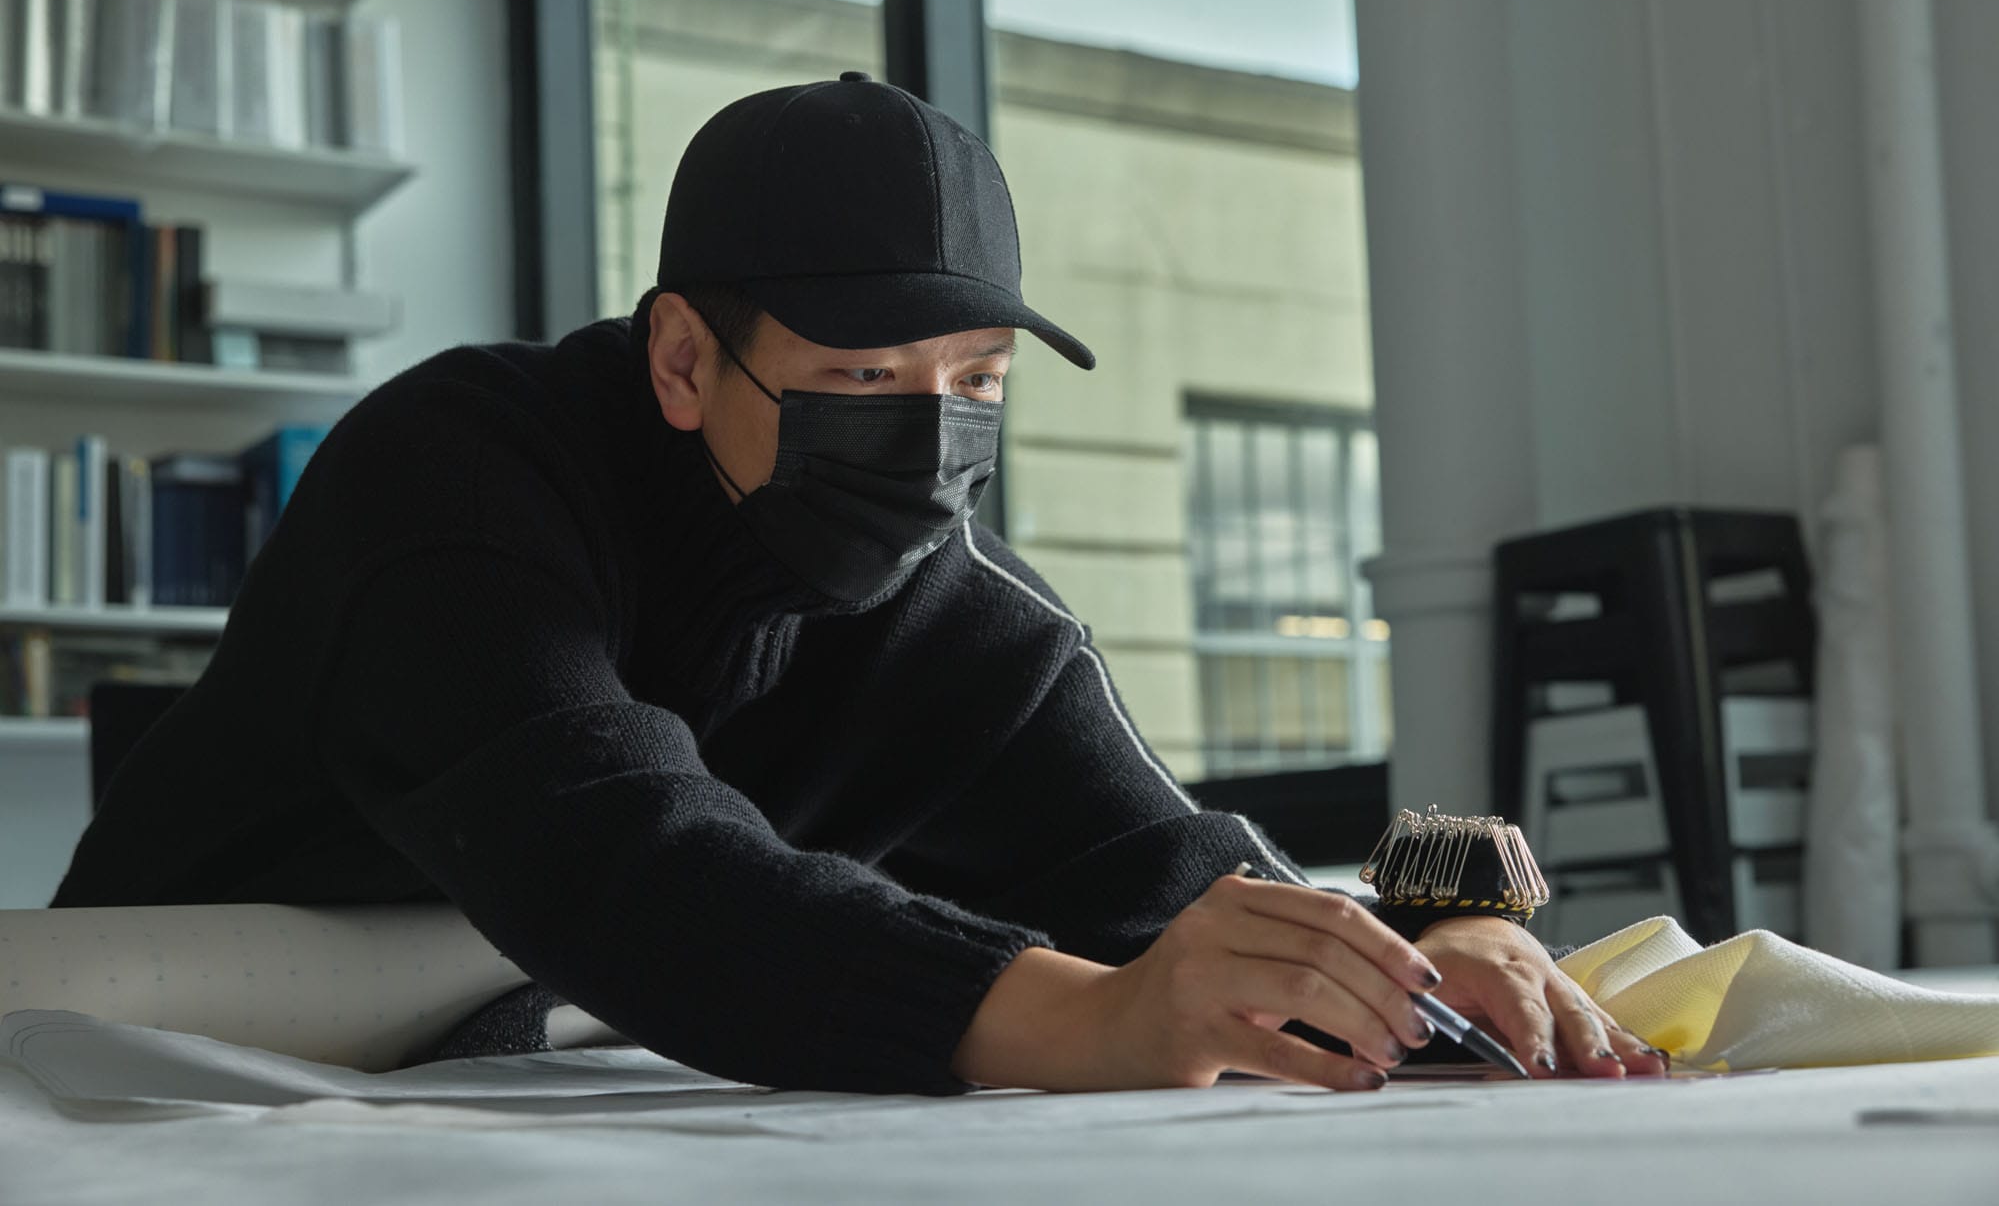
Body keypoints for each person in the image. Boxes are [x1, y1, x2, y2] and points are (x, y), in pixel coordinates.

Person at [52, 72, 1666, 1094]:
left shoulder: (950, 599)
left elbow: (1150, 859)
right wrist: (1091, 1023)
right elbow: (635, 856)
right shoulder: (455, 485)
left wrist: (1396, 951)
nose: (930, 436)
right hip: (153, 1019)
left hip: (522, 1010)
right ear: (683, 359)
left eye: (977, 378)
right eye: (866, 372)